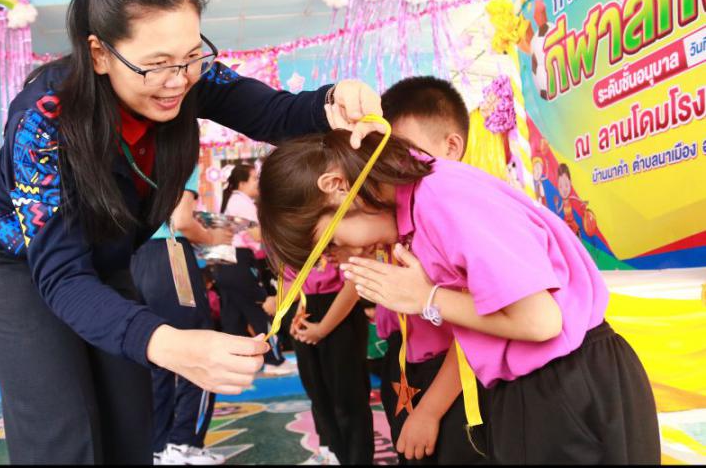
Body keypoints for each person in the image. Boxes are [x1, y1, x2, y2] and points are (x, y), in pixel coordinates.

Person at [0, 0, 383, 464]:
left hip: (105, 249)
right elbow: (64, 278)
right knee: (62, 425)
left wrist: (335, 101)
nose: (178, 80)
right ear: (99, 54)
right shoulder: (44, 121)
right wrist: (173, 346)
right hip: (18, 263)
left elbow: (272, 111)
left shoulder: (188, 74)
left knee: (128, 414)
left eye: (191, 55)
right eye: (157, 64)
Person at [257, 130, 660, 464]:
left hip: (564, 381)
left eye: (329, 243)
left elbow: (541, 320)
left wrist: (426, 298)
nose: (341, 256)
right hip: (536, 382)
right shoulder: (419, 204)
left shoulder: (439, 196)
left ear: (335, 186)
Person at [372, 76, 486, 465]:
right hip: (406, 361)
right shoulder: (404, 211)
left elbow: (481, 324)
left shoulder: (458, 214)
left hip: (454, 374)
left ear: (451, 146)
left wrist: (430, 411)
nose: (389, 168)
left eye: (402, 152)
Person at [130, 167, 231, 465]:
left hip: (134, 259)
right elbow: (181, 220)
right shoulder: (181, 154)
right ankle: (184, 444)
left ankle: (158, 447)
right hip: (171, 255)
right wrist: (211, 236)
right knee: (198, 347)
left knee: (157, 353)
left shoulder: (132, 153)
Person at [284, 255, 373, 465]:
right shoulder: (294, 243)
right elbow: (301, 280)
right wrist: (299, 313)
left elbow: (353, 285)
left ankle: (357, 459)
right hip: (308, 308)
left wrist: (322, 329)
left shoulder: (336, 239)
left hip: (339, 310)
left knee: (348, 399)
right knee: (318, 394)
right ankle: (333, 453)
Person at [217, 163, 295, 377]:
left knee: (233, 317)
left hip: (225, 263)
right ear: (242, 183)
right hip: (239, 261)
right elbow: (258, 235)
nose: (258, 183)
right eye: (254, 178)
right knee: (260, 307)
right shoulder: (241, 202)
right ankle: (274, 360)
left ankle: (232, 364)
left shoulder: (233, 201)